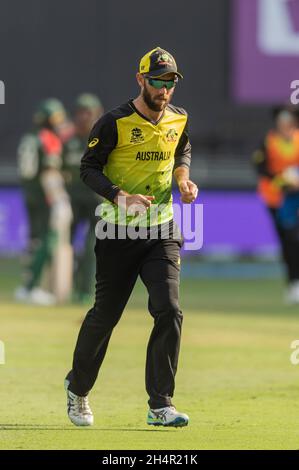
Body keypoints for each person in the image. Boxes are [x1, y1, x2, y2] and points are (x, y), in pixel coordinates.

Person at [65, 47, 198, 427]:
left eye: (170, 82)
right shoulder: (114, 122)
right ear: (140, 80)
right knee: (106, 316)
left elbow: (182, 146)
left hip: (162, 230)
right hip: (116, 231)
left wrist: (183, 180)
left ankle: (161, 404)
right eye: (157, 81)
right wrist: (120, 196)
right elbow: (88, 168)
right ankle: (78, 389)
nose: (164, 89)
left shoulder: (178, 117)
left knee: (169, 309)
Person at [15, 98, 72, 305]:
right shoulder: (48, 138)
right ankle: (32, 287)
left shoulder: (30, 137)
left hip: (29, 193)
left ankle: (28, 285)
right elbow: (49, 173)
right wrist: (57, 199)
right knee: (47, 240)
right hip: (44, 196)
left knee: (35, 241)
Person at [253, 107, 299, 304]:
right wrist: (282, 179)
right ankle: (293, 283)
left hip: (296, 197)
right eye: (282, 121)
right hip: (276, 198)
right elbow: (259, 167)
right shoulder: (268, 141)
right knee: (288, 240)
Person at [62, 93, 104, 303]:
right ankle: (61, 287)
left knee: (91, 247)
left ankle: (84, 290)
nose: (84, 117)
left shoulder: (104, 139)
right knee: (64, 245)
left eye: (88, 113)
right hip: (71, 200)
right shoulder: (67, 140)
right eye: (80, 112)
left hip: (96, 201)